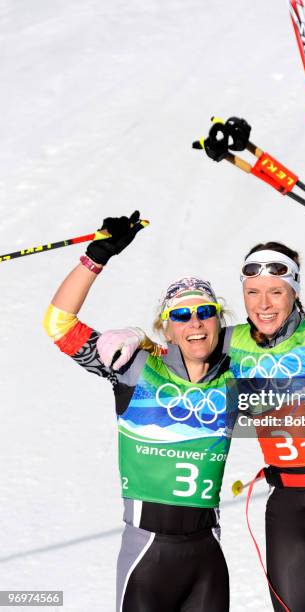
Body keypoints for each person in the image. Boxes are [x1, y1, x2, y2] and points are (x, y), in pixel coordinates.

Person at [97, 220, 305, 612]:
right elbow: (187, 338)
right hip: (285, 507)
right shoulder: (232, 341)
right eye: (253, 293)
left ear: (294, 293)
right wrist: (137, 337)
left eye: (275, 292)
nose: (264, 304)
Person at [43, 211, 236, 612]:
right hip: (147, 552)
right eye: (181, 316)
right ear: (167, 327)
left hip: (207, 557)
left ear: (220, 319)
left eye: (205, 312)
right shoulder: (135, 368)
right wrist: (97, 256)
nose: (195, 324)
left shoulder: (235, 378)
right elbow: (59, 324)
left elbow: (298, 394)